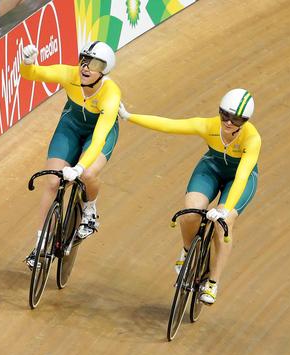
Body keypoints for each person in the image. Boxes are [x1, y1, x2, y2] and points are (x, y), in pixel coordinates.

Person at [118, 88, 261, 305]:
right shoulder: (209, 126)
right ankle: (187, 250)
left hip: (240, 179)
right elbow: (170, 125)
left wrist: (224, 208)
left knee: (223, 225)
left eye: (237, 119)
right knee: (190, 213)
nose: (229, 123)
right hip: (211, 169)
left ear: (246, 120)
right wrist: (130, 116)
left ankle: (213, 281)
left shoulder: (252, 139)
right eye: (225, 115)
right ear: (219, 111)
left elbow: (241, 176)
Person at [20, 41, 122, 269]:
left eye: (94, 64)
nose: (85, 67)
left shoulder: (111, 93)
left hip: (98, 133)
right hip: (71, 127)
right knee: (52, 181)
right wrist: (27, 63)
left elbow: (98, 139)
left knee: (88, 174)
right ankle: (40, 245)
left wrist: (80, 167)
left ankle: (90, 209)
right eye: (83, 60)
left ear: (105, 69)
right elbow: (34, 73)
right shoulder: (70, 74)